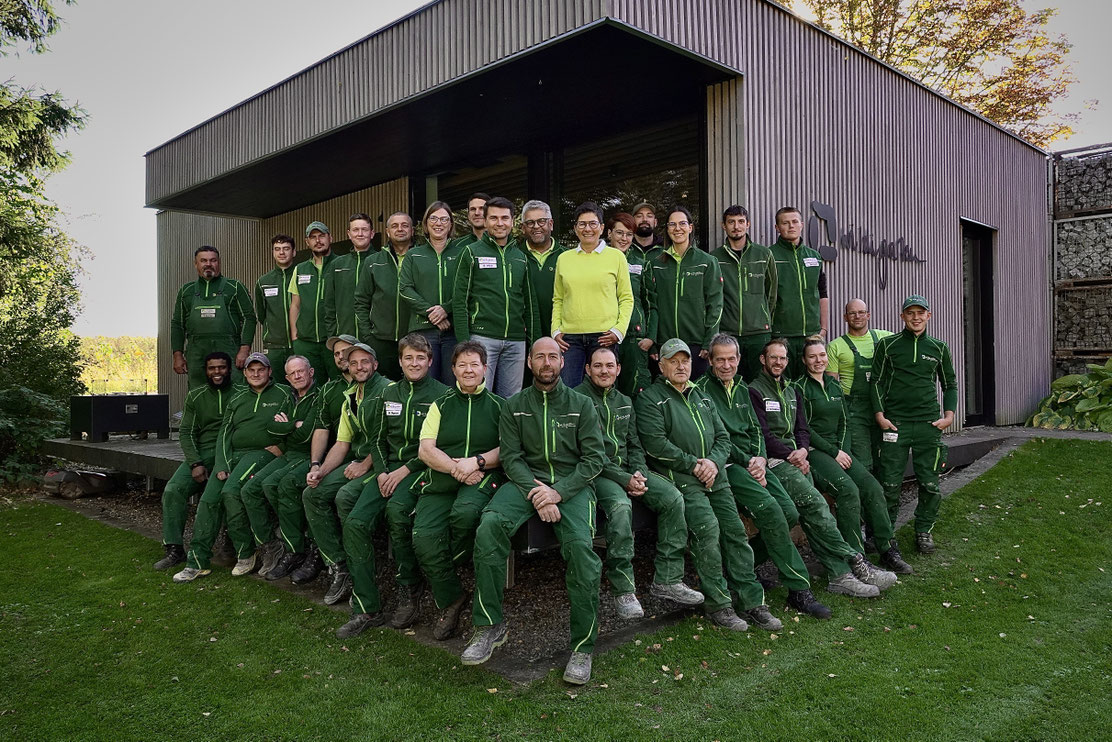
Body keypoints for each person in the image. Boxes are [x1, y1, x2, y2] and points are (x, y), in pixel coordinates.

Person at [461, 338, 605, 685]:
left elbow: (594, 460)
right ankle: (489, 626)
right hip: (526, 485)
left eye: (552, 356)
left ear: (561, 362)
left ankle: (583, 647)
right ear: (529, 362)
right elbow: (511, 457)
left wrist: (558, 492)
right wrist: (537, 492)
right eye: (539, 356)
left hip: (571, 487)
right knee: (489, 527)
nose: (546, 362)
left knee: (582, 551)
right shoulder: (515, 405)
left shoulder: (581, 405)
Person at [636, 338, 780, 632]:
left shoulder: (701, 395)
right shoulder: (651, 398)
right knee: (707, 532)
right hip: (684, 480)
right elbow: (655, 444)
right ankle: (719, 605)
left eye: (685, 360)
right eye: (673, 361)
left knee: (735, 533)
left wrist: (713, 463)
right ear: (660, 365)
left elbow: (723, 438)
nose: (680, 366)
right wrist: (694, 465)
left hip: (716, 476)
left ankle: (753, 602)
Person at [695, 334, 832, 619]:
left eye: (731, 358)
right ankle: (799, 589)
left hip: (755, 463)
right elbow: (715, 438)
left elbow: (758, 430)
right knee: (771, 512)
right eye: (719, 359)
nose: (726, 364)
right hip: (729, 466)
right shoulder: (702, 392)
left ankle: (742, 568)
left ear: (739, 359)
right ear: (709, 359)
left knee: (790, 512)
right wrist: (748, 461)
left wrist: (758, 458)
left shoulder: (743, 388)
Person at [748, 339, 897, 600]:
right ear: (763, 359)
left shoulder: (790, 391)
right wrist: (793, 454)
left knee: (809, 512)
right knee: (814, 506)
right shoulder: (755, 391)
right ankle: (853, 562)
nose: (778, 362)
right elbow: (763, 435)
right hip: (775, 461)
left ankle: (842, 573)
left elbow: (802, 429)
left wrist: (803, 450)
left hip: (799, 458)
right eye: (773, 357)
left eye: (782, 358)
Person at [574, 346, 702, 619]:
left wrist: (640, 473)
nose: (604, 371)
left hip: (629, 472)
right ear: (587, 369)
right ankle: (624, 589)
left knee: (672, 498)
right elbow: (590, 454)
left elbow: (634, 444)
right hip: (597, 474)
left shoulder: (625, 401)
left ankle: (667, 579)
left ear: (619, 369)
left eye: (610, 365)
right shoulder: (577, 400)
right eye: (598, 366)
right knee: (621, 508)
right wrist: (626, 479)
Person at [335, 334, 449, 637]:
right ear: (399, 361)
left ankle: (408, 587)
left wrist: (403, 471)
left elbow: (441, 446)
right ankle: (367, 607)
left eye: (420, 357)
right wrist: (384, 471)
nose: (414, 363)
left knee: (398, 514)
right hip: (385, 473)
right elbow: (377, 438)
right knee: (356, 523)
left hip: (418, 470)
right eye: (408, 357)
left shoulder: (442, 395)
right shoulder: (389, 394)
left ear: (430, 361)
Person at [410, 341, 505, 640]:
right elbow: (426, 450)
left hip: (482, 478)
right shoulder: (440, 405)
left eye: (474, 364)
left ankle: (451, 564)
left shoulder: (500, 406)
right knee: (423, 538)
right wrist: (457, 469)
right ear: (452, 370)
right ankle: (452, 596)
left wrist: (476, 463)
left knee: (464, 515)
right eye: (462, 364)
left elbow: (507, 450)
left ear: (485, 369)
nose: (468, 370)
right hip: (442, 478)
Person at [174, 353, 292, 582]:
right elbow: (224, 434)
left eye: (261, 370)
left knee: (231, 491)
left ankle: (249, 552)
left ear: (270, 372)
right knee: (209, 500)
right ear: (245, 373)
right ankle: (196, 562)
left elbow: (294, 422)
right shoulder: (237, 399)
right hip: (234, 455)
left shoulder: (284, 394)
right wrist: (221, 463)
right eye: (251, 370)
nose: (256, 374)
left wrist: (281, 446)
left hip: (261, 453)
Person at [797, 339, 912, 574]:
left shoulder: (834, 385)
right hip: (816, 452)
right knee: (848, 491)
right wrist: (833, 452)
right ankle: (855, 556)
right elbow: (804, 428)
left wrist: (842, 449)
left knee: (872, 486)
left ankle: (887, 548)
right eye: (812, 356)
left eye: (822, 355)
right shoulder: (799, 388)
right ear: (804, 360)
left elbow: (845, 421)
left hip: (840, 450)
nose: (818, 360)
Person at [298, 341, 390, 602]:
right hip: (358, 460)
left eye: (364, 361)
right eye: (353, 363)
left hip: (384, 463)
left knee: (344, 497)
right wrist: (321, 470)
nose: (359, 367)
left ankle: (365, 571)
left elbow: (391, 438)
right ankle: (340, 565)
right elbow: (342, 443)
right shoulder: (350, 397)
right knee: (312, 493)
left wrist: (365, 464)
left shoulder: (388, 390)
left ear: (375, 364)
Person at [872, 295, 958, 555]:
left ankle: (924, 531)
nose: (916, 317)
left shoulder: (939, 348)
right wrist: (879, 415)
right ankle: (885, 535)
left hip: (928, 425)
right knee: (889, 483)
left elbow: (950, 384)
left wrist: (949, 416)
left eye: (921, 312)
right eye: (911, 313)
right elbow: (875, 381)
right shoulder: (888, 346)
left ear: (928, 316)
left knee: (929, 483)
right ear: (903, 317)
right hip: (894, 425)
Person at [237, 355, 321, 579]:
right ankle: (274, 543)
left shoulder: (318, 397)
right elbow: (271, 428)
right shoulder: (290, 396)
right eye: (292, 373)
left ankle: (297, 545)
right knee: (250, 489)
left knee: (279, 483)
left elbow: (307, 435)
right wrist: (294, 424)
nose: (297, 376)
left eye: (301, 371)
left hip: (307, 455)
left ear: (311, 372)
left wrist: (287, 426)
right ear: (287, 377)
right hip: (289, 454)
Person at [154, 352, 236, 570]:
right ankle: (174, 549)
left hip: (230, 453)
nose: (217, 372)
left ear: (230, 369)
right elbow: (186, 433)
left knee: (225, 492)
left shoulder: (240, 394)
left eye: (222, 367)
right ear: (206, 371)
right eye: (212, 368)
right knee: (173, 489)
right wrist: (194, 463)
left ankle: (230, 544)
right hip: (202, 453)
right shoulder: (196, 396)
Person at [452, 196, 540, 398]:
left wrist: (534, 344)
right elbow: (459, 302)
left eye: (504, 218)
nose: (499, 223)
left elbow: (530, 304)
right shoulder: (470, 253)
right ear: (485, 220)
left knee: (511, 400)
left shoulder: (521, 258)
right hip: (482, 339)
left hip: (516, 341)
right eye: (493, 218)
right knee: (477, 395)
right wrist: (465, 346)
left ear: (512, 221)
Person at [552, 201, 634, 387]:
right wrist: (555, 330)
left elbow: (626, 298)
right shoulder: (564, 259)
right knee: (570, 392)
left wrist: (618, 331)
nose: (587, 229)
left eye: (592, 223)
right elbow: (558, 298)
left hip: (604, 336)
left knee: (603, 390)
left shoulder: (616, 257)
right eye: (582, 224)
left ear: (602, 227)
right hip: (570, 339)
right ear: (575, 228)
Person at [649, 206, 722, 380]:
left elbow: (716, 304)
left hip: (696, 345)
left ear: (690, 227)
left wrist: (709, 341)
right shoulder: (656, 264)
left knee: (695, 394)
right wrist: (652, 342)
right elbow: (651, 305)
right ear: (667, 229)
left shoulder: (707, 262)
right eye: (672, 224)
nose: (677, 228)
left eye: (682, 223)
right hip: (665, 344)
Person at [170, 246, 255, 388]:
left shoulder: (234, 287)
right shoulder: (186, 290)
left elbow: (249, 318)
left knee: (235, 390)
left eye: (213, 260)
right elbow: (177, 324)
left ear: (219, 263)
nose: (208, 264)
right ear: (196, 264)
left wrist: (244, 349)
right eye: (203, 260)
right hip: (196, 350)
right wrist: (177, 355)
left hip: (229, 348)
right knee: (198, 392)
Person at [398, 201, 464, 383]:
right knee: (425, 383)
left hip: (453, 331)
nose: (439, 223)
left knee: (453, 384)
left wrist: (445, 309)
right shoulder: (414, 255)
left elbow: (468, 289)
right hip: (422, 331)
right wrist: (433, 314)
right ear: (426, 224)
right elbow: (404, 288)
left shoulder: (462, 253)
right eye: (433, 218)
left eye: (444, 219)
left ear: (451, 224)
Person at [711, 205, 777, 381]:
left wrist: (763, 318)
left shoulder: (764, 254)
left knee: (760, 383)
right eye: (731, 222)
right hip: (728, 333)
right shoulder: (714, 258)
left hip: (759, 334)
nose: (736, 226)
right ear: (723, 225)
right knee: (728, 382)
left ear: (748, 224)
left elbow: (772, 293)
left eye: (741, 221)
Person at [826, 299, 892, 472]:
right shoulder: (835, 346)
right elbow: (831, 385)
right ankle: (866, 496)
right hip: (854, 410)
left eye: (861, 312)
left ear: (868, 315)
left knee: (885, 457)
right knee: (863, 460)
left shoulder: (885, 338)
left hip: (883, 407)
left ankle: (886, 497)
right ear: (845, 317)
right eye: (852, 313)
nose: (857, 316)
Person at [768, 207, 829, 378]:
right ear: (777, 227)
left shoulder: (814, 257)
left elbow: (822, 293)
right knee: (783, 386)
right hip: (781, 335)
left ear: (802, 225)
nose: (791, 226)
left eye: (795, 222)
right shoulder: (769, 256)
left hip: (811, 335)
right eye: (785, 223)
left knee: (809, 384)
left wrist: (823, 328)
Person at [355, 211, 415, 380]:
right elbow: (361, 301)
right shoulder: (373, 261)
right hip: (381, 340)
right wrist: (368, 336)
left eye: (405, 225)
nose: (400, 229)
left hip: (415, 338)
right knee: (385, 389)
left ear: (412, 230)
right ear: (387, 231)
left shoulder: (421, 257)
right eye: (394, 226)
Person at [606, 212, 656, 396]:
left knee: (636, 392)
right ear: (609, 233)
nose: (624, 238)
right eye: (620, 233)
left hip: (635, 339)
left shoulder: (640, 263)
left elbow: (651, 303)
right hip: (605, 336)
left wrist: (650, 337)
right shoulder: (597, 261)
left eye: (628, 234)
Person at [289, 221, 336, 382]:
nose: (318, 240)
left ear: (330, 238)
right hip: (306, 343)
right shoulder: (300, 269)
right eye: (313, 237)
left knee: (340, 385)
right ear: (307, 242)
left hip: (333, 341)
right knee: (311, 387)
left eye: (322, 236)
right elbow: (295, 305)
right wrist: (295, 337)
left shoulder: (340, 265)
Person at [324, 213, 378, 340]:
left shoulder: (381, 261)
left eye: (364, 229)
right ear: (349, 234)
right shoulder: (336, 265)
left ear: (372, 233)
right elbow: (329, 305)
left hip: (375, 337)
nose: (360, 234)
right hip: (344, 337)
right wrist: (333, 336)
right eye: (355, 230)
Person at [254, 235, 299, 380]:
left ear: (294, 252)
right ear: (273, 252)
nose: (281, 253)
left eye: (286, 249)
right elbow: (261, 314)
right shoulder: (263, 281)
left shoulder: (302, 275)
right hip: (274, 347)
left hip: (300, 344)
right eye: (277, 249)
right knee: (277, 387)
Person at [520, 199, 565, 342]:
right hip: (524, 335)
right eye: (530, 223)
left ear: (550, 224)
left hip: (562, 334)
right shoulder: (514, 256)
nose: (536, 227)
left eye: (541, 221)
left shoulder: (567, 256)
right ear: (523, 227)